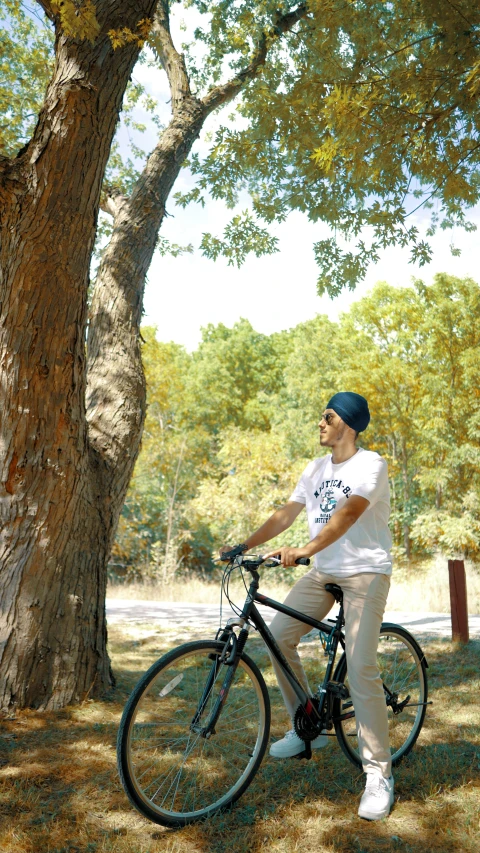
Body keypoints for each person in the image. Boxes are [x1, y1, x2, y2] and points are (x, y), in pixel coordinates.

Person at [221, 392, 394, 821]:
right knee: (278, 636)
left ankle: (378, 774)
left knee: (360, 667)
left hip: (365, 573)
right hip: (323, 572)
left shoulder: (371, 464)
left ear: (348, 425)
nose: (320, 422)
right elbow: (286, 514)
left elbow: (349, 514)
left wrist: (304, 548)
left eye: (328, 416)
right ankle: (307, 726)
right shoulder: (315, 468)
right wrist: (246, 545)